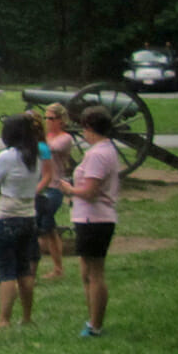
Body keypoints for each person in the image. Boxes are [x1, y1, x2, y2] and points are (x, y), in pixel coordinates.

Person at [59, 105, 122, 338]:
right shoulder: (106, 149)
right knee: (86, 272)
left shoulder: (97, 154)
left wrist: (69, 189)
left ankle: (96, 325)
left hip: (95, 218)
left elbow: (90, 191)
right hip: (91, 217)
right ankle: (92, 319)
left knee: (95, 273)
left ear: (89, 127)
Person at [0, 114, 43, 332]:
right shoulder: (35, 155)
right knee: (25, 270)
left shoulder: (6, 157)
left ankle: (3, 320)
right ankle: (27, 317)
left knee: (7, 272)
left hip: (5, 215)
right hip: (28, 214)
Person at [38, 103, 75, 279]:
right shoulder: (45, 137)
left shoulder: (65, 138)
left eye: (51, 118)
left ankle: (34, 268)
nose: (47, 121)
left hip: (54, 187)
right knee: (50, 230)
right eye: (45, 117)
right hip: (43, 186)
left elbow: (50, 149)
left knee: (42, 227)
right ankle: (58, 269)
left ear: (61, 120)